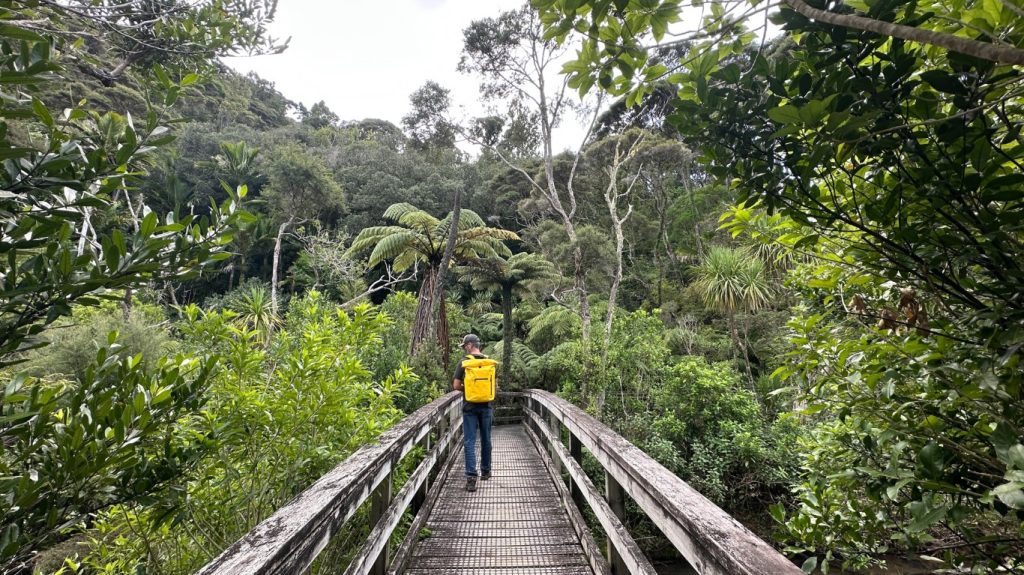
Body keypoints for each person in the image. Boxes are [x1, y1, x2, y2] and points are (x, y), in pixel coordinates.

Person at [452, 333, 493, 492]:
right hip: (486, 405)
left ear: (469, 345)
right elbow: (493, 386)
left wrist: (469, 389)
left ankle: (471, 478)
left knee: (469, 440)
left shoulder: (464, 363)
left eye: (465, 346)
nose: (465, 349)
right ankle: (486, 471)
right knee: (486, 438)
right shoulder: (488, 362)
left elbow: (456, 386)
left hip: (470, 406)